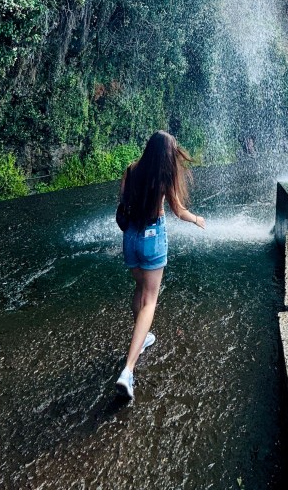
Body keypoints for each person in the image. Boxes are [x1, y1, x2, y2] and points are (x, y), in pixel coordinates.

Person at [115, 130, 206, 400]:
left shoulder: (131, 170)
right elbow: (178, 211)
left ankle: (141, 339)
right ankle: (127, 370)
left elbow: (124, 203)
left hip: (130, 238)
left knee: (139, 290)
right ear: (167, 155)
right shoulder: (163, 178)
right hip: (153, 238)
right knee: (150, 301)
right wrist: (197, 219)